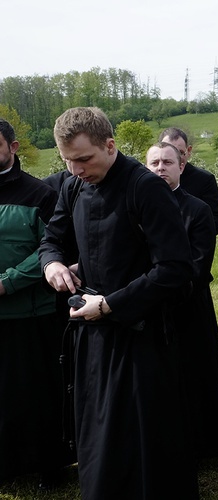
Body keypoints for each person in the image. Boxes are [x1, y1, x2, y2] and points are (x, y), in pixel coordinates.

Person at [39, 107, 198, 500]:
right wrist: (53, 264)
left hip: (139, 337)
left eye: (83, 159)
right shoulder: (73, 185)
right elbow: (51, 239)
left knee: (140, 444)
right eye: (68, 162)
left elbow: (176, 268)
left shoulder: (145, 188)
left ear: (110, 145)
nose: (75, 169)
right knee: (97, 434)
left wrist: (110, 305)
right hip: (90, 336)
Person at [0, 118, 75, 488]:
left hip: (32, 314)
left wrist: (7, 283)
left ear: (13, 147)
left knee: (38, 393)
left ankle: (50, 464)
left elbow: (52, 249)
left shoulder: (40, 194)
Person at [145, 142, 218, 459]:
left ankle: (204, 443)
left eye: (167, 162)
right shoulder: (138, 207)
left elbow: (196, 265)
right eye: (154, 163)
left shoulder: (197, 209)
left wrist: (154, 289)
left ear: (181, 167)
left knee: (195, 375)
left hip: (189, 305)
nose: (160, 168)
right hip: (152, 308)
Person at [159, 127, 218, 234]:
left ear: (189, 151)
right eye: (169, 152)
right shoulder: (148, 179)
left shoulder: (204, 180)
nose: (174, 157)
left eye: (180, 152)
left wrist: (193, 234)